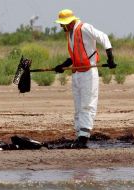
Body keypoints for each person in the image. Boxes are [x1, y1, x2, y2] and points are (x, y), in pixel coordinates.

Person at [54, 9, 116, 148]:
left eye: (62, 24)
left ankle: (84, 137)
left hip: (89, 72)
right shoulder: (70, 33)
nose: (61, 27)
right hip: (76, 73)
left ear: (69, 22)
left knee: (87, 105)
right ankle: (79, 134)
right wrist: (63, 65)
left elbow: (104, 37)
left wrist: (110, 58)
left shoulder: (84, 27)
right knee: (78, 107)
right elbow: (76, 55)